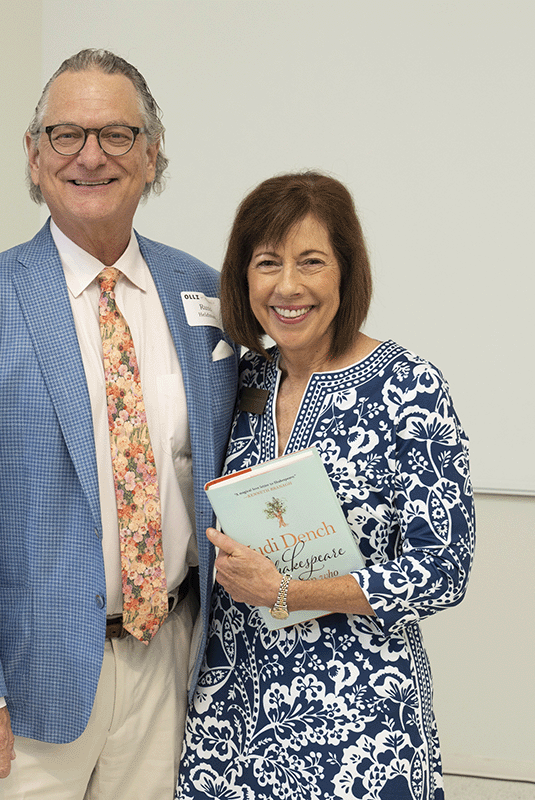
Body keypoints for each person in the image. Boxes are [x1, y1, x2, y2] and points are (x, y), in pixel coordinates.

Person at [0, 49, 239, 799]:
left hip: (170, 661)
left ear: (152, 155)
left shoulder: (208, 295)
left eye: (117, 135)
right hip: (22, 686)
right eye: (65, 135)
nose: (91, 155)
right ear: (33, 157)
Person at [175, 171, 475, 800]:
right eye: (267, 263)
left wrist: (289, 590)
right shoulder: (236, 380)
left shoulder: (408, 388)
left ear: (346, 273)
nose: (288, 286)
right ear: (242, 277)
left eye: (311, 262)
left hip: (359, 724)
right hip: (230, 720)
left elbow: (443, 571)